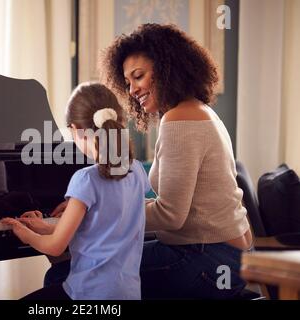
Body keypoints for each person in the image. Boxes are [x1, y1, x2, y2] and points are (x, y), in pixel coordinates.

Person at [97, 23, 253, 299]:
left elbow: (171, 216)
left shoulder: (180, 119)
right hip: (225, 257)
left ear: (168, 69)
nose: (132, 89)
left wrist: (97, 214)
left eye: (138, 76)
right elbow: (175, 208)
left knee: (72, 273)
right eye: (127, 82)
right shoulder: (197, 110)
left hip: (207, 260)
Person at [2, 82, 150, 299]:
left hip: (87, 295)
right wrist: (44, 227)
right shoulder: (137, 170)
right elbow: (102, 227)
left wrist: (26, 235)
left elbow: (55, 247)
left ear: (75, 130)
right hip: (126, 293)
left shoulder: (86, 179)